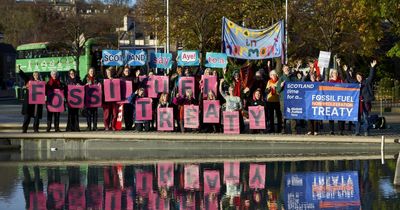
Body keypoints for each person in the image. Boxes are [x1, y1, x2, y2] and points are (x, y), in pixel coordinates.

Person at [18, 66, 43, 133]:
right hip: (29, 101)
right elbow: (24, 76)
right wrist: (20, 71)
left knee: (36, 116)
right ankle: (24, 129)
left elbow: (43, 91)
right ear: (33, 75)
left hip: (37, 102)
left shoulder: (41, 83)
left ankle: (36, 129)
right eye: (35, 75)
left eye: (37, 75)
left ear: (39, 75)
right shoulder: (29, 81)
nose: (36, 76)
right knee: (27, 116)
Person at [355, 60, 377, 136]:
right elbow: (348, 79)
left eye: (359, 76)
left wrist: (372, 67)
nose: (358, 78)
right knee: (357, 118)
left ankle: (366, 131)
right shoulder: (355, 84)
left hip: (365, 103)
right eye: (357, 77)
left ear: (362, 77)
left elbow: (371, 76)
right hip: (357, 104)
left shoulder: (366, 82)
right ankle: (357, 132)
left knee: (365, 118)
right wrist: (346, 71)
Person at [276, 65, 297, 134]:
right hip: (283, 99)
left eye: (288, 68)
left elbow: (300, 86)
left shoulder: (294, 78)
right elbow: (277, 90)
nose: (287, 69)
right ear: (283, 70)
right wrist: (281, 86)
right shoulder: (281, 78)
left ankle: (293, 130)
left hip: (292, 100)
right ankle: (283, 129)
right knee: (283, 114)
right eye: (285, 68)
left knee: (293, 114)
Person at [328, 68, 345, 135]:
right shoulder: (329, 82)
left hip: (340, 101)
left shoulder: (340, 80)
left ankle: (341, 130)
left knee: (340, 116)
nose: (335, 74)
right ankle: (331, 130)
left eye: (336, 73)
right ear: (331, 74)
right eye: (334, 73)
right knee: (331, 116)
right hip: (332, 101)